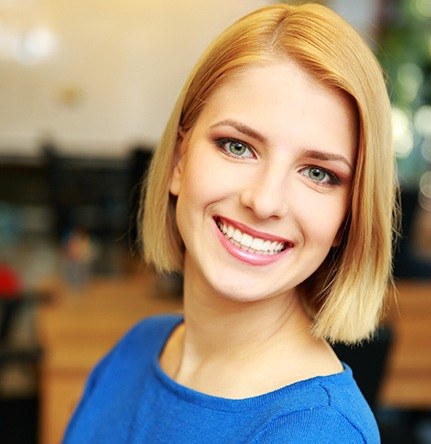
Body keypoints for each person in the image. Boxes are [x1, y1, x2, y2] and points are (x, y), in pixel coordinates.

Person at [64, 3, 397, 443]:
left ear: (346, 219)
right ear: (180, 161)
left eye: (319, 173)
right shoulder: (137, 348)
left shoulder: (320, 431)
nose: (263, 201)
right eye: (237, 146)